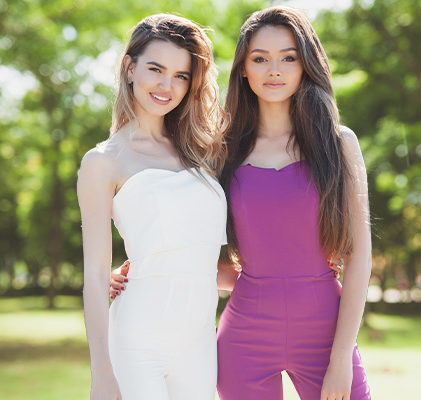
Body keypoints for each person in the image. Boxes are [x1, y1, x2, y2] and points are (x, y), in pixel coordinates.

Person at [111, 6, 372, 400]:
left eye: (289, 57)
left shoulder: (338, 144)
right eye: (260, 59)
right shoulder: (221, 151)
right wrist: (136, 271)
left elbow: (360, 258)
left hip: (326, 329)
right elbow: (186, 239)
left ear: (306, 65)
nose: (274, 70)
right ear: (243, 69)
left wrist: (339, 361)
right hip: (244, 336)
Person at [77, 14, 226, 400]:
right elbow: (94, 273)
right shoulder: (102, 162)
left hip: (199, 342)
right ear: (129, 68)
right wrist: (101, 374)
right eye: (155, 69)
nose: (167, 86)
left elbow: (211, 255)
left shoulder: (204, 153)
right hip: (137, 342)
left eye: (181, 75)